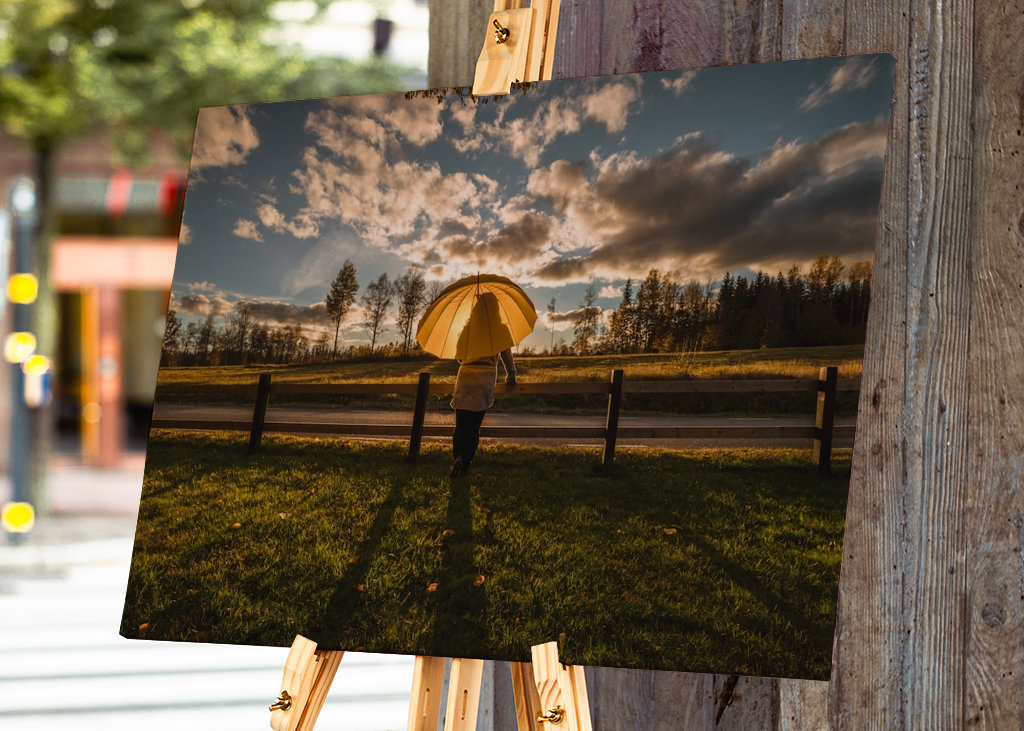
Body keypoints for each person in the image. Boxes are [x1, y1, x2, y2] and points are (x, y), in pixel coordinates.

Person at [450, 293, 516, 478]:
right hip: (484, 378)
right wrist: (511, 375)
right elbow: (507, 357)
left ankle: (458, 457)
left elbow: (458, 355)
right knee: (473, 427)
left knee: (461, 425)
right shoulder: (500, 329)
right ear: (496, 309)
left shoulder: (467, 328)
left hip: (465, 376)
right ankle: (465, 465)